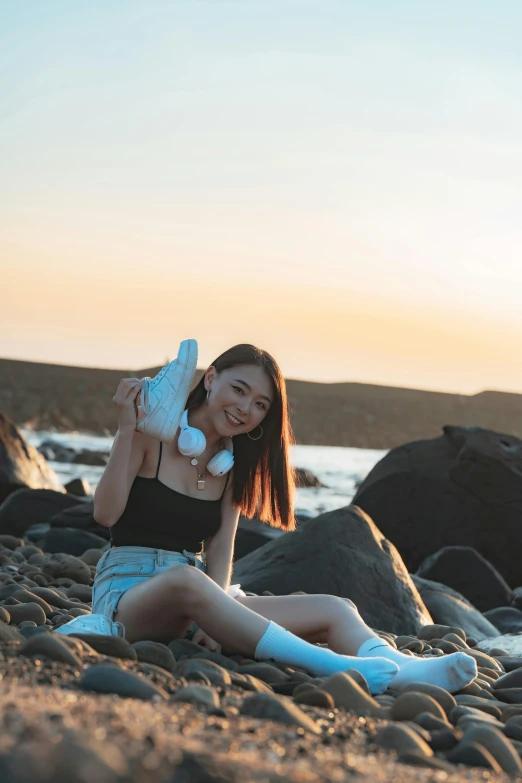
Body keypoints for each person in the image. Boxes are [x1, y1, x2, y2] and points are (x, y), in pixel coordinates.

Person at [56, 341, 477, 695]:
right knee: (187, 581)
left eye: (259, 404)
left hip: (199, 597)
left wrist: (215, 613)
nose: (245, 409)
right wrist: (126, 431)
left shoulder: (231, 464)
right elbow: (105, 513)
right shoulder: (151, 437)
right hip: (128, 600)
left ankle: (400, 669)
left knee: (336, 607)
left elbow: (220, 547)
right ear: (210, 378)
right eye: (238, 390)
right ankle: (333, 666)